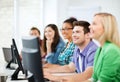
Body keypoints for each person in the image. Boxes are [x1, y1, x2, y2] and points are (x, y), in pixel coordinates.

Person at [83, 12, 120, 82]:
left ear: (106, 28)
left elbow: (103, 80)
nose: (89, 26)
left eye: (94, 24)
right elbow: (94, 78)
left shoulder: (111, 50)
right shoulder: (100, 49)